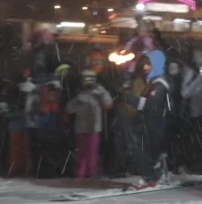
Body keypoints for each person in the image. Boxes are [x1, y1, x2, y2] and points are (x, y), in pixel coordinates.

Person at [123, 50, 173, 190]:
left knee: (145, 151)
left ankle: (149, 177)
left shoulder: (159, 85)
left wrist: (129, 98)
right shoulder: (152, 83)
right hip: (149, 124)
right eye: (144, 64)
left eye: (148, 64)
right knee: (150, 151)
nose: (145, 68)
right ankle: (155, 175)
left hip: (155, 124)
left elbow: (150, 105)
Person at [67, 70, 113, 179]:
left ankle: (93, 173)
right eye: (86, 79)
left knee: (92, 152)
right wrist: (77, 101)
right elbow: (69, 109)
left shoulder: (100, 91)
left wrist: (100, 96)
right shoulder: (79, 93)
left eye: (90, 79)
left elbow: (108, 104)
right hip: (81, 127)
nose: (88, 81)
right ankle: (81, 174)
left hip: (94, 127)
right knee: (82, 153)